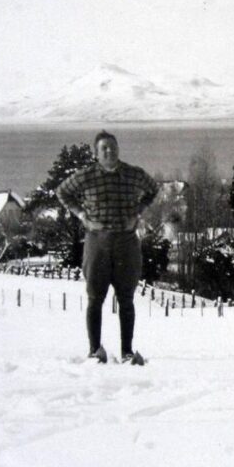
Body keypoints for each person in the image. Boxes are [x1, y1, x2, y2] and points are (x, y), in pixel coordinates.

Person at [58, 131, 158, 363]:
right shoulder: (86, 176)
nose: (109, 151)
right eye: (104, 148)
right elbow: (62, 191)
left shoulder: (133, 174)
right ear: (96, 152)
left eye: (112, 147)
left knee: (126, 299)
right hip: (97, 241)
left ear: (118, 149)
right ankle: (95, 350)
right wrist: (82, 215)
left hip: (126, 241)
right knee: (95, 298)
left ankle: (127, 352)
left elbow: (153, 188)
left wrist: (139, 212)